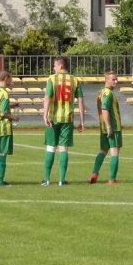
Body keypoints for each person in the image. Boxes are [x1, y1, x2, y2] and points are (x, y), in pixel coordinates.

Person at [42, 56, 85, 186]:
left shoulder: (52, 79)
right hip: (67, 118)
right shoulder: (74, 80)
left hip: (53, 117)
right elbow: (81, 100)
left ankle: (46, 179)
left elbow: (48, 97)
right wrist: (82, 120)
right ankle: (62, 179)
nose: (53, 67)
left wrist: (45, 115)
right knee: (63, 148)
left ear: (60, 66)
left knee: (50, 147)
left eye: (54, 65)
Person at [90, 71, 123, 184]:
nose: (116, 81)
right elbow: (104, 110)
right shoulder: (108, 94)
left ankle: (95, 173)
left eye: (116, 79)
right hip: (113, 127)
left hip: (103, 127)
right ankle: (112, 179)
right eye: (113, 79)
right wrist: (110, 127)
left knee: (103, 151)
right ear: (106, 80)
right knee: (114, 152)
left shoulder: (100, 92)